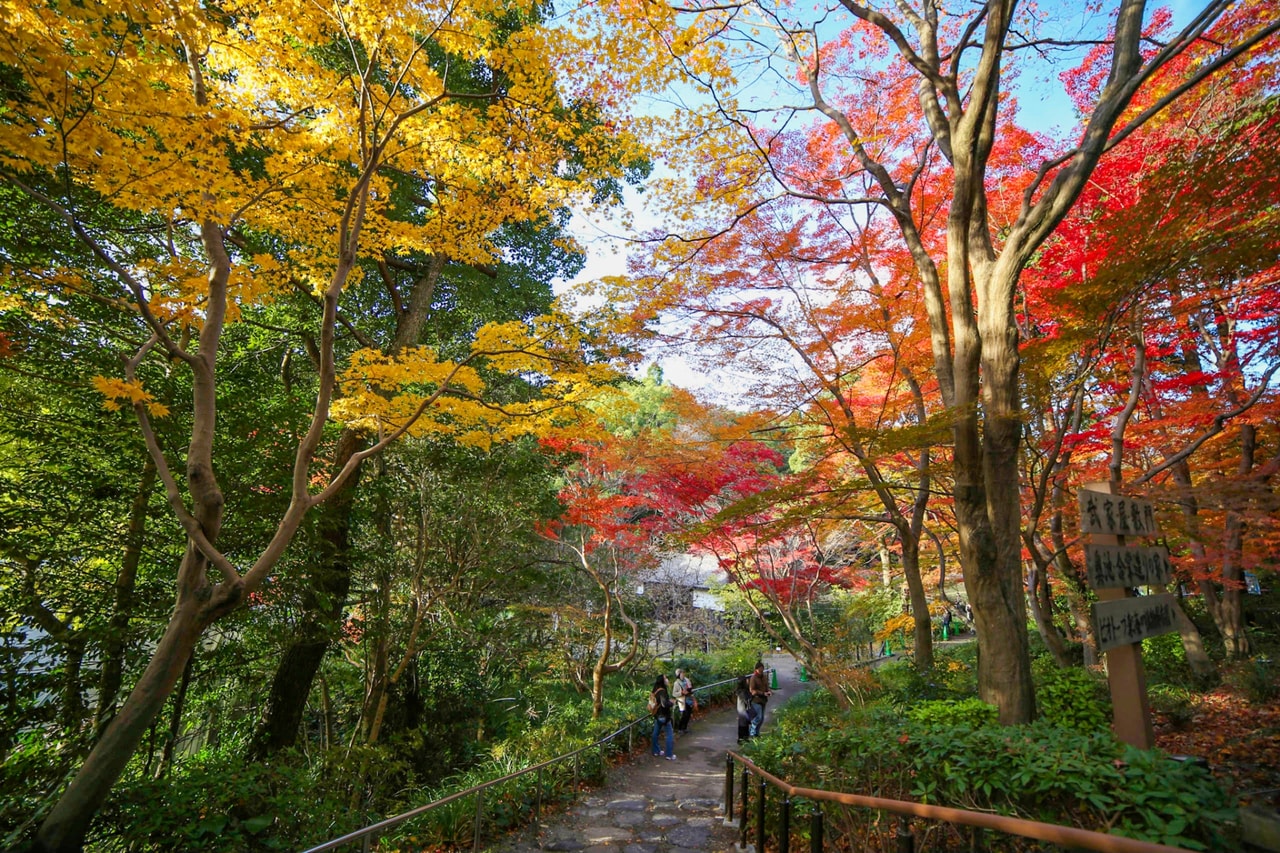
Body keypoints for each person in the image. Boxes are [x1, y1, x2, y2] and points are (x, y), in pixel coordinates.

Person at [650, 674, 676, 760]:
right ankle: (669, 754)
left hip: (657, 715)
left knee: (655, 734)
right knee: (669, 735)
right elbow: (664, 704)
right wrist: (671, 703)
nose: (667, 680)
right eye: (665, 678)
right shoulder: (662, 691)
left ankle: (656, 751)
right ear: (662, 681)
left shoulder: (655, 690)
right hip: (664, 716)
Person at [747, 660, 771, 737]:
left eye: (762, 669)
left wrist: (769, 691)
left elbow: (767, 685)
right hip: (756, 700)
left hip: (763, 700)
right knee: (758, 717)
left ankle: (757, 733)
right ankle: (752, 732)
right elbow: (752, 690)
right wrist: (762, 693)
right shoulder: (753, 678)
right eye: (759, 669)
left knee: (762, 718)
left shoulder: (764, 677)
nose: (761, 671)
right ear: (756, 669)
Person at [673, 668, 695, 733]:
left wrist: (690, 691)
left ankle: (685, 728)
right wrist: (681, 692)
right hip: (682, 700)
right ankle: (680, 728)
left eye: (683, 673)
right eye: (682, 673)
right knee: (684, 715)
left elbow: (690, 688)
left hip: (689, 699)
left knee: (688, 714)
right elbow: (674, 693)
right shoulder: (676, 683)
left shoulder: (687, 680)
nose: (683, 675)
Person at [734, 675, 754, 743]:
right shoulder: (743, 692)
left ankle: (742, 738)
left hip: (741, 709)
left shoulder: (739, 691)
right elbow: (747, 700)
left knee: (742, 724)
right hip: (743, 710)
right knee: (744, 725)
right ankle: (743, 738)